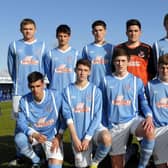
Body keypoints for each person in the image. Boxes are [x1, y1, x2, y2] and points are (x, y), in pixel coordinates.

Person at [100, 48, 155, 168]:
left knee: (149, 130)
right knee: (117, 165)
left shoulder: (136, 81)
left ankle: (142, 164)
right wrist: (105, 126)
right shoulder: (105, 80)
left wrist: (149, 116)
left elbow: (143, 101)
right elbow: (102, 106)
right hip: (114, 124)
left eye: (123, 61)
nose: (120, 64)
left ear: (128, 61)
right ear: (113, 62)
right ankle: (131, 151)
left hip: (132, 120)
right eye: (118, 60)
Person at [7, 18, 47, 166]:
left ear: (35, 30)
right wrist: (19, 81)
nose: (28, 31)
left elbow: (45, 68)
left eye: (30, 28)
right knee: (19, 124)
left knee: (37, 123)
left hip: (37, 91)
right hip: (19, 91)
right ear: (21, 30)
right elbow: (12, 69)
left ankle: (37, 153)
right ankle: (20, 155)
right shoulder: (14, 45)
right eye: (25, 29)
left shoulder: (42, 46)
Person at [62, 59, 112, 168]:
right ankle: (87, 158)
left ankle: (95, 162)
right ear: (75, 70)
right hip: (77, 132)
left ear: (89, 72)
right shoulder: (67, 91)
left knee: (107, 138)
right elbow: (67, 116)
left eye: (85, 70)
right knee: (81, 164)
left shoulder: (95, 91)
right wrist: (75, 138)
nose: (82, 73)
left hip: (94, 129)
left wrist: (88, 137)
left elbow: (97, 116)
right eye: (79, 69)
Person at [14, 71, 64, 168]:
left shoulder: (55, 96)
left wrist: (59, 136)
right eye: (32, 87)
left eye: (38, 86)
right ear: (29, 86)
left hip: (52, 138)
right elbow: (20, 122)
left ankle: (44, 153)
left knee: (55, 167)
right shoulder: (24, 100)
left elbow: (66, 117)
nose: (35, 90)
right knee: (19, 138)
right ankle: (36, 160)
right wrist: (32, 133)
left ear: (43, 85)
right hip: (35, 136)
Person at [115, 19, 156, 86]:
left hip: (142, 88)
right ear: (126, 33)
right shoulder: (118, 48)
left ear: (140, 32)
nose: (133, 33)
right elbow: (113, 69)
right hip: (123, 87)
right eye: (130, 31)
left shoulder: (147, 48)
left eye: (136, 31)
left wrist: (144, 82)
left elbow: (152, 71)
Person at [146, 54, 168, 168]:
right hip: (157, 129)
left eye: (167, 67)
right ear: (158, 68)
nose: (165, 70)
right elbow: (144, 106)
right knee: (160, 164)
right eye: (162, 67)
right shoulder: (150, 85)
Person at [44, 24, 80, 92]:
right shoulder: (50, 54)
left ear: (69, 37)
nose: (62, 38)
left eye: (65, 36)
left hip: (72, 91)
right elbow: (47, 73)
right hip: (54, 91)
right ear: (56, 36)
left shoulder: (76, 54)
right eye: (60, 36)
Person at [82, 20, 114, 88]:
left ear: (105, 31)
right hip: (91, 85)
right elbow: (83, 68)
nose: (98, 33)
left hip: (108, 85)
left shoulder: (112, 48)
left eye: (100, 30)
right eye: (96, 30)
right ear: (92, 32)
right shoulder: (87, 49)